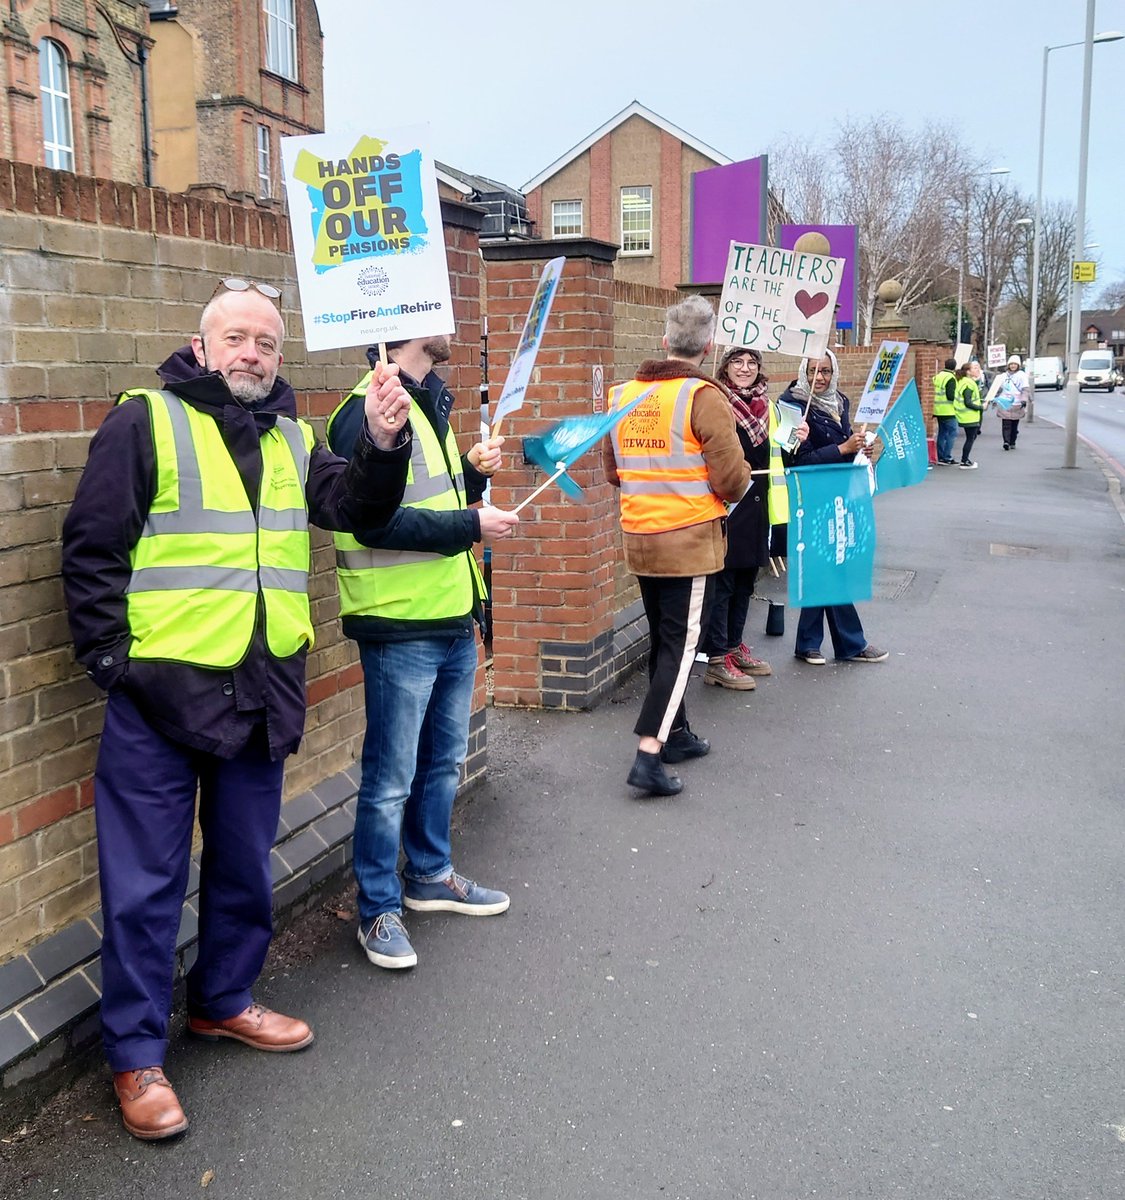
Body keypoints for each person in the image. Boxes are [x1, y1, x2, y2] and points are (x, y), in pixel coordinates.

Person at [60, 279, 413, 1141]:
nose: (251, 353)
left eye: (266, 341)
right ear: (202, 345)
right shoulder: (145, 420)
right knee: (143, 888)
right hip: (160, 697)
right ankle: (136, 1055)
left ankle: (222, 1000)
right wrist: (114, 666)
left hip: (261, 689)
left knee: (245, 866)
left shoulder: (293, 435)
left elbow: (357, 511)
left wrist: (381, 442)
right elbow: (93, 548)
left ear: (278, 356)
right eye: (235, 338)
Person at [326, 334, 518, 972]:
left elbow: (426, 495)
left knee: (442, 763)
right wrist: (471, 524)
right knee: (390, 781)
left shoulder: (428, 400)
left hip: (450, 615)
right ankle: (378, 909)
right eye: (440, 308)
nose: (453, 323)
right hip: (399, 622)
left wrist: (470, 472)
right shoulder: (366, 409)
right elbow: (371, 522)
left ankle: (430, 875)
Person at [603, 295, 750, 796]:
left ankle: (678, 733)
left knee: (665, 643)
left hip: (640, 537)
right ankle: (649, 753)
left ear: (665, 340)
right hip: (688, 542)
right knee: (682, 650)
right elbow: (731, 481)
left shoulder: (622, 395)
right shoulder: (703, 396)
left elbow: (613, 472)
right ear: (708, 348)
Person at [699, 347, 807, 690]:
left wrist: (796, 440)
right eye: (737, 361)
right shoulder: (713, 402)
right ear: (725, 366)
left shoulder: (770, 407)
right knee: (723, 583)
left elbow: (780, 454)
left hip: (758, 503)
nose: (744, 368)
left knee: (746, 580)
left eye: (751, 363)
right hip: (727, 504)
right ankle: (717, 659)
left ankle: (734, 646)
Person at [779, 350, 889, 666]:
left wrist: (861, 449)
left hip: (839, 496)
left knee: (831, 566)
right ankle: (846, 643)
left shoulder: (839, 401)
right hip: (811, 498)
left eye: (826, 370)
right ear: (803, 372)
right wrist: (842, 448)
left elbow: (845, 448)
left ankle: (815, 644)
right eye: (813, 370)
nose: (820, 377)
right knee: (826, 567)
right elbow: (795, 461)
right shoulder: (791, 406)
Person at [995, 354, 1029, 449]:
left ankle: (1012, 442)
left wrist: (1024, 400)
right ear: (1008, 365)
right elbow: (997, 388)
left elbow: (1025, 389)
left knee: (1014, 425)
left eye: (1015, 364)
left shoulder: (1022, 375)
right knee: (1006, 424)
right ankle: (1006, 442)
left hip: (1017, 404)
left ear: (1018, 365)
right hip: (1005, 403)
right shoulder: (1003, 376)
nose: (1013, 366)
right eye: (1011, 364)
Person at [953, 363, 983, 469]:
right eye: (974, 368)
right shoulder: (969, 383)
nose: (977, 369)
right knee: (970, 438)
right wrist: (980, 407)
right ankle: (964, 461)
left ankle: (965, 460)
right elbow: (968, 402)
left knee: (971, 437)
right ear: (968, 371)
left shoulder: (962, 381)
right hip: (970, 415)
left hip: (965, 415)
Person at [932, 356, 959, 465]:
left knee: (942, 433)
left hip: (937, 409)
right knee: (952, 433)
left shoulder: (937, 376)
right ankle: (947, 457)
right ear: (954, 367)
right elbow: (950, 396)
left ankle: (940, 457)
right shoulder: (951, 378)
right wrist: (959, 398)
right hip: (948, 410)